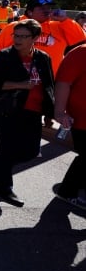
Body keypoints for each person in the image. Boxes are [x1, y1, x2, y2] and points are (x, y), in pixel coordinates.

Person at [0, 19, 54, 207]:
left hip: (33, 112)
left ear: (35, 38)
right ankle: (3, 187)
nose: (18, 40)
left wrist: (49, 113)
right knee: (8, 149)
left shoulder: (43, 58)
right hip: (6, 111)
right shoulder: (5, 56)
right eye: (16, 35)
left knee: (31, 152)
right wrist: (20, 85)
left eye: (24, 36)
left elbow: (49, 86)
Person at [0, 0, 86, 75]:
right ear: (30, 12)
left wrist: (65, 20)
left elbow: (80, 39)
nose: (47, 11)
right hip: (20, 82)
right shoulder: (15, 27)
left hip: (50, 82)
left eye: (49, 8)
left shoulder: (59, 26)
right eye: (42, 8)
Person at [53, 42, 86, 210]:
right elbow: (63, 82)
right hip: (82, 117)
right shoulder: (81, 52)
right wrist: (59, 111)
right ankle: (68, 192)